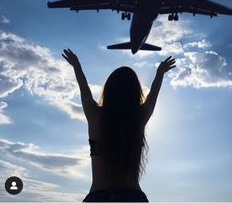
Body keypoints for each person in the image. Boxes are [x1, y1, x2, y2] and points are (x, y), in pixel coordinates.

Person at [62, 48, 176, 202]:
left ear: (108, 90)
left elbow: (85, 91)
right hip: (133, 197)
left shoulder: (95, 115)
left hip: (98, 196)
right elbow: (152, 95)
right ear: (135, 92)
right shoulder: (139, 117)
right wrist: (160, 73)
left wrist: (76, 66)